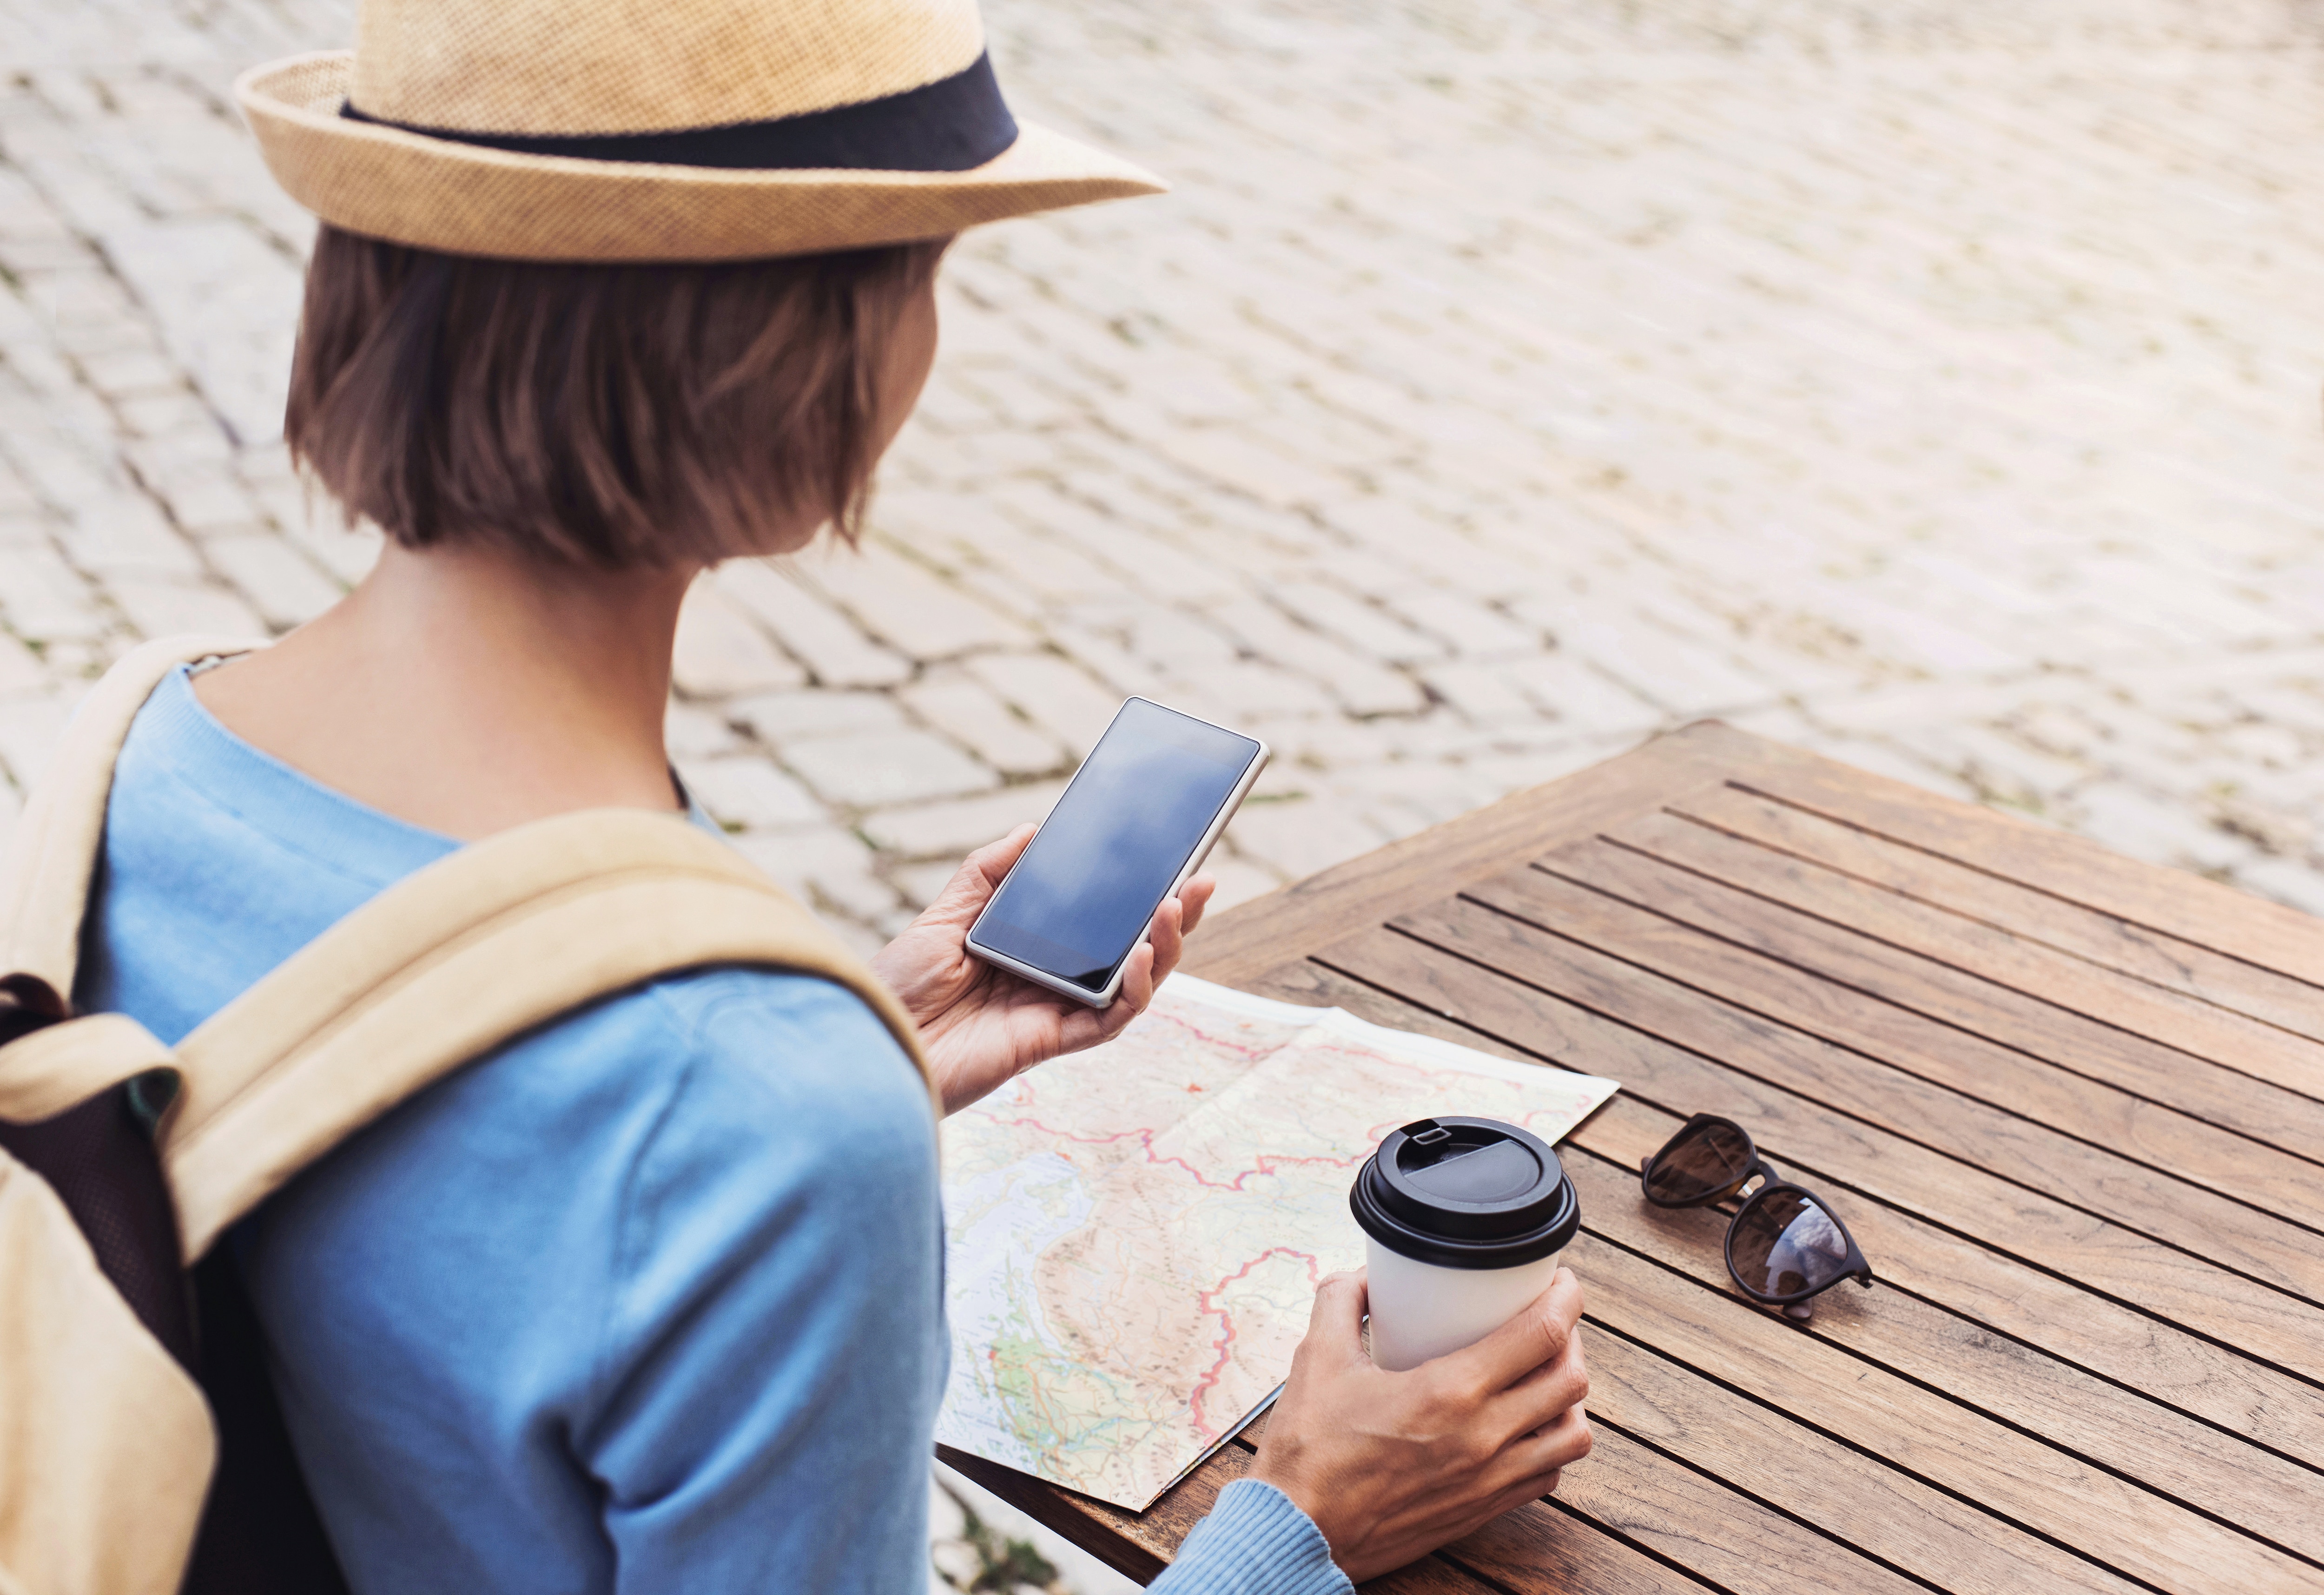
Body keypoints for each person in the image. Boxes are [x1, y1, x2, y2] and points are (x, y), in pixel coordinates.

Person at [78, 2, 1593, 1589]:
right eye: (927, 266)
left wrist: (842, 1044)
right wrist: (1302, 1530)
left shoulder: (143, 754)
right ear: (817, 351)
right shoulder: (764, 1119)